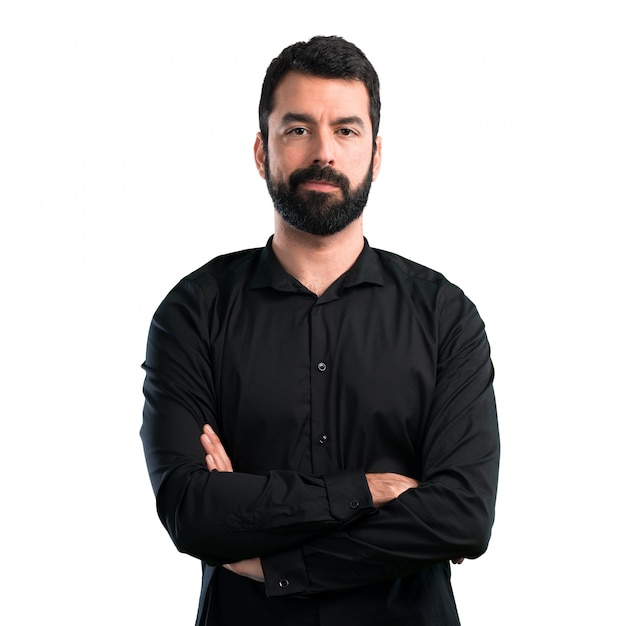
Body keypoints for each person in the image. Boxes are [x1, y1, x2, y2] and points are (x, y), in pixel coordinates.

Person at [141, 35, 500, 626]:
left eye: (347, 130)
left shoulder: (444, 315)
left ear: (376, 155)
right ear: (263, 151)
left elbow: (461, 517)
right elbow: (189, 509)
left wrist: (276, 559)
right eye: (298, 129)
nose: (324, 152)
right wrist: (368, 490)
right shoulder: (193, 311)